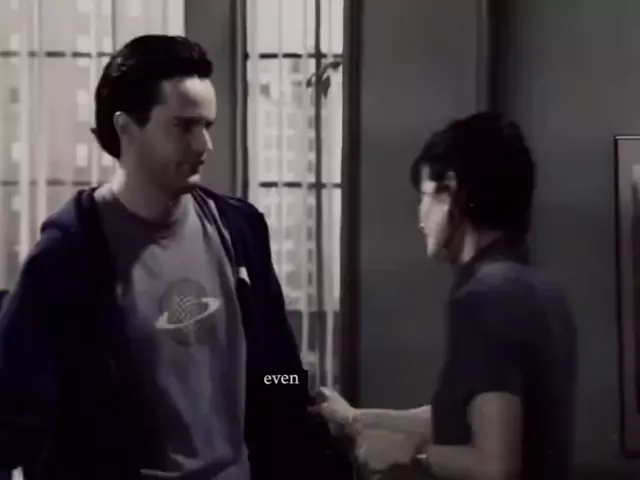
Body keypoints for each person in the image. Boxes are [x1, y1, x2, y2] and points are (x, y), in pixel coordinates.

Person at [0, 35, 352, 480]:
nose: (204, 145)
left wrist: (301, 398)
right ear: (127, 129)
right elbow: (16, 407)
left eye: (207, 125)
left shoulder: (240, 230)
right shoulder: (69, 254)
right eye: (184, 127)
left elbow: (275, 369)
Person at [316, 112, 578, 480]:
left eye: (424, 195)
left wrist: (410, 454)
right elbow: (468, 417)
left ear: (450, 192)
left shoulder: (486, 297)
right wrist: (357, 419)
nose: (420, 217)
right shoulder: (540, 290)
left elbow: (495, 466)